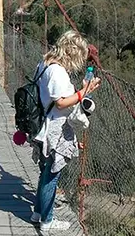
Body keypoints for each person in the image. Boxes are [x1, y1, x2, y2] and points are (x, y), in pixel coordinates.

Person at [30, 30, 101, 232]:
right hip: (55, 129)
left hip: (43, 124)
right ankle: (47, 220)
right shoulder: (58, 72)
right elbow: (61, 103)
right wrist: (85, 91)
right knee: (52, 176)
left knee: (45, 172)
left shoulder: (44, 64)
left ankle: (37, 213)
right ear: (74, 54)